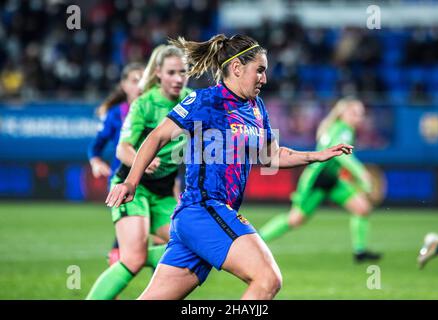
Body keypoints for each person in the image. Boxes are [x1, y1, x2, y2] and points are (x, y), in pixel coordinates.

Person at [105, 34, 354, 300]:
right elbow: (157, 136)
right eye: (259, 70)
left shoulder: (256, 108)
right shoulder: (206, 100)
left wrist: (315, 156)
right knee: (268, 279)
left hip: (205, 217)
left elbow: (272, 156)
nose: (264, 78)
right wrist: (131, 181)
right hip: (203, 208)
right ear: (236, 68)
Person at [86, 44, 191, 299]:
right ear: (158, 73)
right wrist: (140, 161)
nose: (178, 78)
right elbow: (123, 149)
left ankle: (142, 257)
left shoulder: (192, 101)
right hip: (133, 186)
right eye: (172, 72)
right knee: (133, 259)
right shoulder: (144, 103)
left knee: (189, 251)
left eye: (183, 72)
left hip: (164, 191)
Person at [259, 98, 382, 263]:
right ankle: (257, 241)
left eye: (361, 114)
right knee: (295, 219)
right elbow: (343, 158)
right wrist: (362, 174)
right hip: (317, 180)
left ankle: (360, 252)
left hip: (332, 179)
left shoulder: (337, 128)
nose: (358, 117)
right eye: (354, 113)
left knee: (362, 208)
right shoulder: (343, 130)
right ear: (343, 114)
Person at [87, 62, 145, 265]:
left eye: (143, 80)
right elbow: (95, 146)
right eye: (134, 80)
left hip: (155, 182)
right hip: (124, 182)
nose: (139, 85)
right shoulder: (115, 114)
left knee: (149, 237)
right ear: (124, 85)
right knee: (131, 237)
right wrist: (95, 162)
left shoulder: (156, 108)